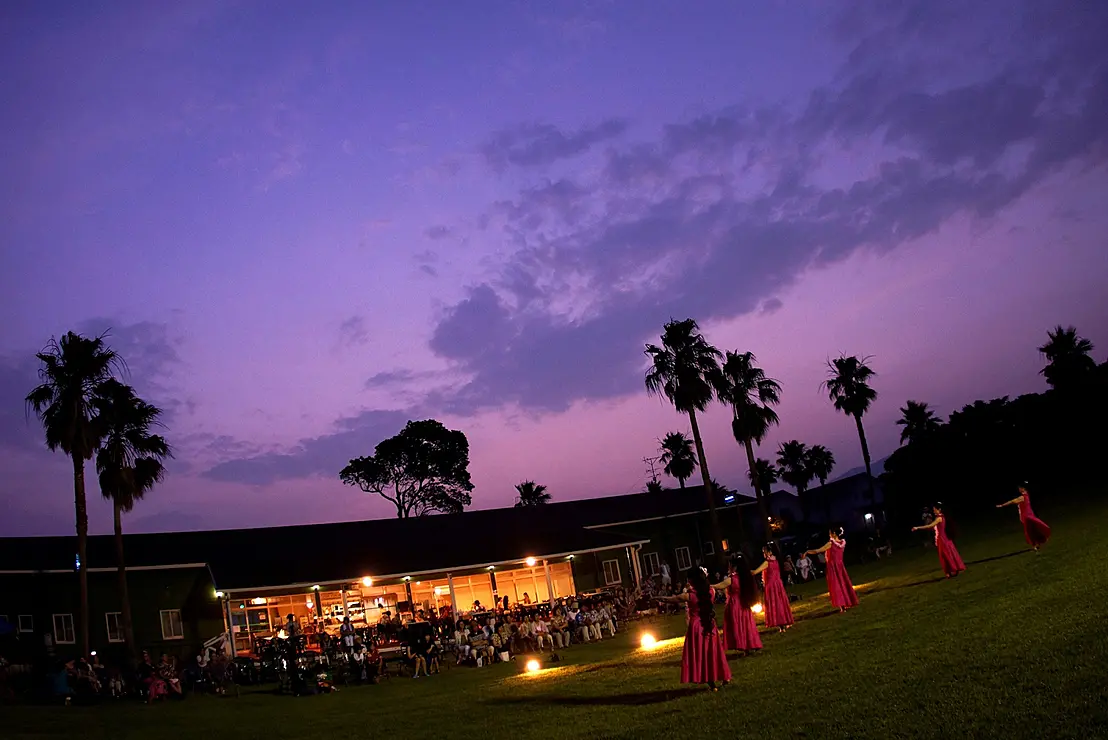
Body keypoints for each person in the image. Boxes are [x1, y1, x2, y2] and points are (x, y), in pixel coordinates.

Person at [658, 567, 731, 691]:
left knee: (703, 655)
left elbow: (674, 599)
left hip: (697, 627)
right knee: (714, 652)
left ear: (692, 580)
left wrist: (659, 599)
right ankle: (724, 677)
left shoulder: (690, 595)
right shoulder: (711, 591)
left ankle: (711, 682)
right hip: (710, 624)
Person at [712, 552, 762, 654]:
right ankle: (750, 644)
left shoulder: (732, 579)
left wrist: (705, 586)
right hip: (744, 603)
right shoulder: (745, 577)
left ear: (733, 566)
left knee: (738, 626)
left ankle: (744, 646)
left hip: (735, 605)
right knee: (746, 625)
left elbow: (719, 586)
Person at [806, 527, 859, 613]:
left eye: (830, 533)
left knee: (836, 586)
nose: (829, 535)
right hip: (840, 566)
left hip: (833, 567)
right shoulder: (842, 543)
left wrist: (808, 552)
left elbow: (818, 550)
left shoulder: (831, 543)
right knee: (843, 584)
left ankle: (842, 606)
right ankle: (847, 602)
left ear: (834, 533)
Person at [913, 503, 966, 578]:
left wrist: (917, 528)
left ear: (939, 509)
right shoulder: (942, 517)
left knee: (945, 556)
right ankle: (952, 570)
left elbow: (930, 526)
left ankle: (951, 570)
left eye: (935, 510)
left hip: (942, 539)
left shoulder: (939, 518)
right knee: (949, 554)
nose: (934, 511)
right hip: (945, 538)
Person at [752, 542, 794, 632]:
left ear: (770, 552)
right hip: (778, 584)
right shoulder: (777, 561)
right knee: (781, 602)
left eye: (764, 552)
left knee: (776, 604)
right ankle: (785, 621)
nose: (763, 554)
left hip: (771, 586)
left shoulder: (767, 562)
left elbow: (755, 572)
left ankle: (781, 624)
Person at [997, 482, 1051, 551]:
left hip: (1027, 516)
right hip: (1030, 514)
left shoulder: (1022, 497)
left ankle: (1036, 544)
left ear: (1023, 488)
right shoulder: (1027, 495)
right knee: (1034, 529)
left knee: (1030, 531)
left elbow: (1012, 501)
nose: (1019, 489)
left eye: (1020, 488)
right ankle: (1040, 541)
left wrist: (1002, 505)